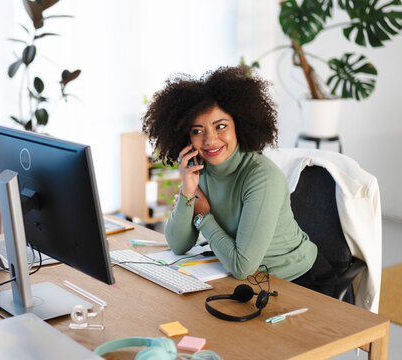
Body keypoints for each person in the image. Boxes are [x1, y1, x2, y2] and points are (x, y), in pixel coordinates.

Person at [142, 66, 337, 296]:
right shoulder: (199, 170)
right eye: (197, 130)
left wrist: (203, 216)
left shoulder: (261, 177)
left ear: (239, 125)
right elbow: (178, 245)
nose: (210, 140)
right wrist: (187, 191)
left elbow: (242, 267)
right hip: (250, 281)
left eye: (220, 126)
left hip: (301, 281)